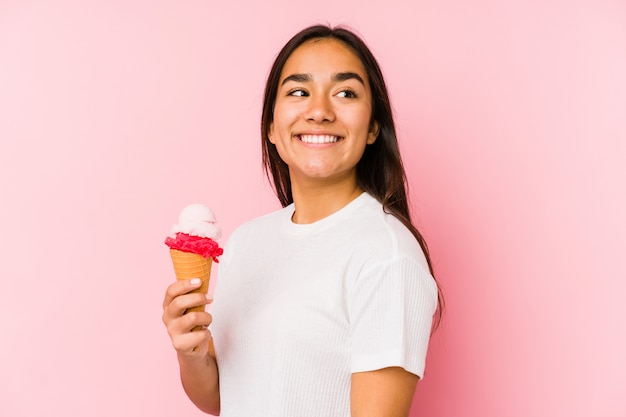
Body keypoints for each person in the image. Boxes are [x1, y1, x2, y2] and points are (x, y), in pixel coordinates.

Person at [162, 24, 443, 417]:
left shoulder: (387, 256)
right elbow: (226, 400)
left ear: (373, 128)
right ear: (272, 129)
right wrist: (191, 352)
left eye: (345, 93)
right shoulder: (245, 243)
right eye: (298, 91)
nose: (319, 111)